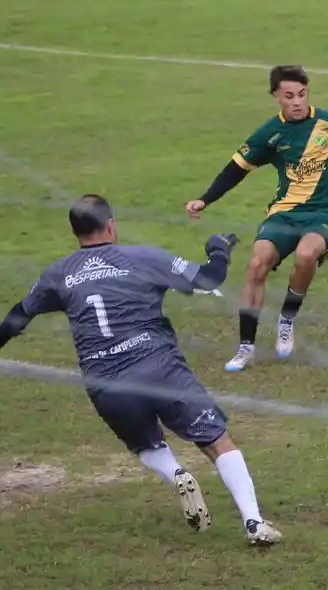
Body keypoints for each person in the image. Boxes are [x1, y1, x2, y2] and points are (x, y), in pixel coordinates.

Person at [0, 194, 282, 545]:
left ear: (75, 232)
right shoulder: (143, 257)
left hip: (105, 383)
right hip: (159, 368)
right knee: (216, 440)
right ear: (111, 225)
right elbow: (208, 280)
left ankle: (176, 472)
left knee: (146, 445)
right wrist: (219, 249)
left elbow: (17, 317)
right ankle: (254, 522)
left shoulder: (59, 273)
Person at [186, 65, 328, 372]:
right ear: (276, 97)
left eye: (302, 94)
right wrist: (205, 199)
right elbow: (236, 169)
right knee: (257, 263)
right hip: (284, 213)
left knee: (307, 253)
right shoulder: (269, 133)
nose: (297, 101)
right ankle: (246, 347)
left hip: (326, 213)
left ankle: (287, 318)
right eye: (289, 96)